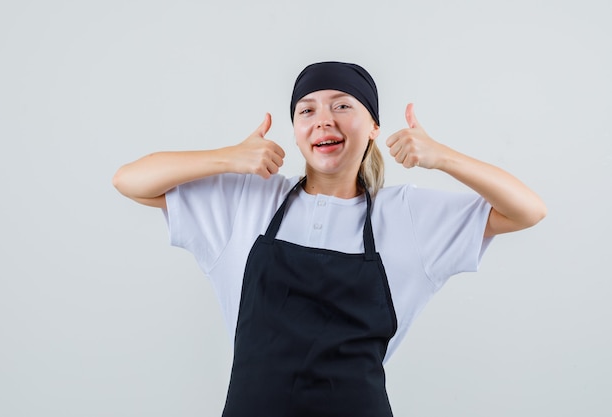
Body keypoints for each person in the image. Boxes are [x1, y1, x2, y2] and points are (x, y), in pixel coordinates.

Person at [113, 61, 546, 417]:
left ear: (373, 126)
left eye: (342, 105)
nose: (324, 119)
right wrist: (228, 158)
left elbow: (528, 209)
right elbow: (130, 180)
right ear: (297, 130)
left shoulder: (407, 216)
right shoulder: (245, 202)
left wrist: (442, 157)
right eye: (307, 110)